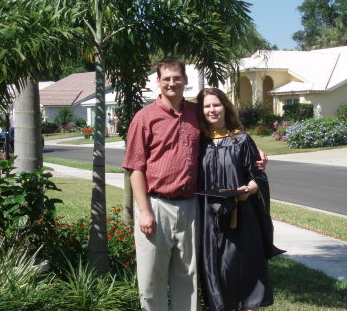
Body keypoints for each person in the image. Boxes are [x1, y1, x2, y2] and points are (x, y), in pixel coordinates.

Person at [122, 57, 268, 311]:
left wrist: (256, 157)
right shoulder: (144, 118)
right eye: (166, 79)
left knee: (187, 278)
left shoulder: (195, 114)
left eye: (177, 78)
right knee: (150, 281)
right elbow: (135, 168)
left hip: (191, 207)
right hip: (156, 206)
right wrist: (144, 211)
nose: (172, 83)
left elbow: (223, 138)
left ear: (185, 80)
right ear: (158, 82)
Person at [196, 88, 284, 311]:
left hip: (241, 217)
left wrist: (250, 189)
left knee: (243, 270)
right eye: (206, 106)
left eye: (216, 104)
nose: (212, 110)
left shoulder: (241, 140)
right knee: (215, 271)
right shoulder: (197, 141)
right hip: (208, 219)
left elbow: (258, 177)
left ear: (225, 106)